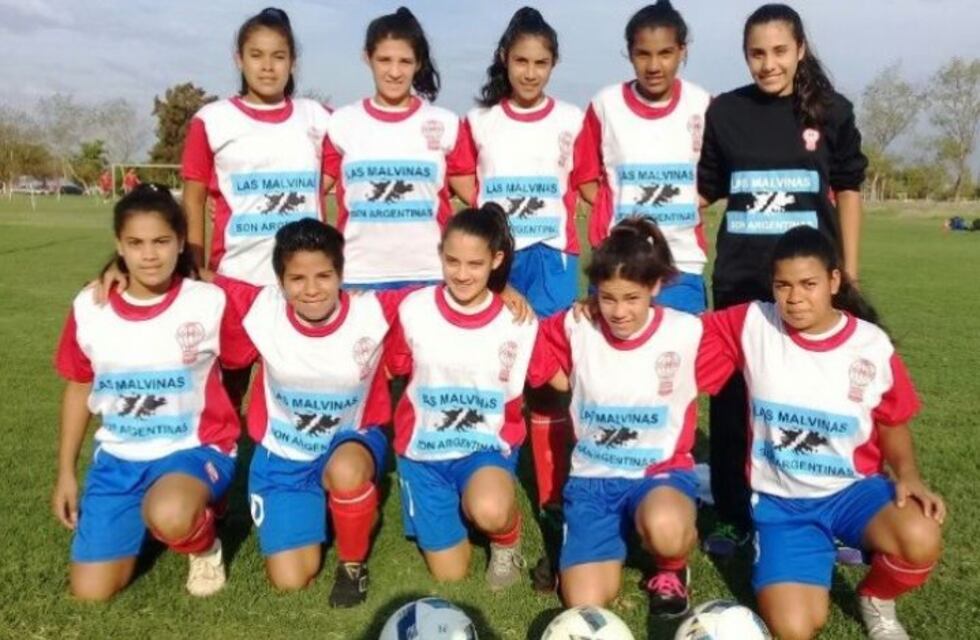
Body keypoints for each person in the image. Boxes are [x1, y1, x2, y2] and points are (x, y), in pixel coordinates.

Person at [699, 226, 944, 640]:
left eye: (808, 284)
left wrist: (907, 473)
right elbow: (671, 335)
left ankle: (876, 599)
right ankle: (803, 553)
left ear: (834, 280)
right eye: (783, 286)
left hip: (853, 492)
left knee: (920, 533)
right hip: (783, 505)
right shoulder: (752, 323)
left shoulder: (870, 344)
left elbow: (891, 419)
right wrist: (601, 308)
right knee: (794, 628)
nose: (794, 298)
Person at [696, 3, 868, 555]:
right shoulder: (725, 112)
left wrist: (850, 271)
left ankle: (831, 507)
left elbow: (848, 192)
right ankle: (731, 512)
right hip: (742, 279)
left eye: (778, 51)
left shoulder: (832, 111)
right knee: (730, 399)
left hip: (810, 285)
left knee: (816, 396)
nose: (767, 64)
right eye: (756, 53)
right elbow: (705, 190)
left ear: (799, 49)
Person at [51, 185, 249, 601]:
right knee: (91, 592)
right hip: (119, 460)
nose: (150, 254)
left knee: (171, 512)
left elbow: (249, 353)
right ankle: (156, 512)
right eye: (136, 243)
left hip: (194, 449)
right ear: (118, 246)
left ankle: (203, 542)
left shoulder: (209, 301)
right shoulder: (91, 306)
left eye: (161, 241)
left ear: (181, 242)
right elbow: (78, 386)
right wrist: (66, 473)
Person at [461, 5, 595, 591]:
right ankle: (485, 485)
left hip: (555, 261)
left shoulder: (573, 118)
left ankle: (554, 501)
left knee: (552, 383)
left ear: (554, 64)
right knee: (500, 374)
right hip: (503, 260)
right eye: (521, 60)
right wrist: (495, 264)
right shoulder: (480, 120)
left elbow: (589, 186)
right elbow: (466, 188)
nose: (531, 72)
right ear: (504, 60)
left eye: (542, 62)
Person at [214, 219, 399, 607]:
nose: (312, 289)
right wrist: (116, 268)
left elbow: (453, 285)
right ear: (280, 281)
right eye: (297, 278)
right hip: (284, 457)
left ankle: (352, 565)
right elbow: (187, 278)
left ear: (341, 274)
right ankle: (327, 506)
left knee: (346, 471)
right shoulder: (260, 308)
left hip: (352, 441)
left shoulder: (374, 310)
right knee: (290, 579)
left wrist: (507, 289)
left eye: (324, 275)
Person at [539, 218, 706, 617]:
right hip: (594, 480)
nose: (619, 312)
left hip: (658, 473)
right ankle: (609, 534)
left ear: (655, 287)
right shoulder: (575, 326)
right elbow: (539, 357)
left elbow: (758, 331)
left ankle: (671, 568)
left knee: (666, 528)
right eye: (608, 298)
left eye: (632, 297)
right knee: (584, 602)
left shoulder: (688, 332)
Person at [385, 204, 553, 591]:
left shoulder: (519, 321)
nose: (462, 274)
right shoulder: (414, 309)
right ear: (440, 255)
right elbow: (394, 366)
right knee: (451, 574)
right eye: (452, 261)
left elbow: (556, 378)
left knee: (490, 511)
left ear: (496, 260)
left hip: (485, 447)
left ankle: (506, 540)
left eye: (475, 264)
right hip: (424, 452)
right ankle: (452, 506)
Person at [180, 7, 330, 408]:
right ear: (239, 59)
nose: (267, 67)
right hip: (236, 279)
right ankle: (220, 464)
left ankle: (287, 465)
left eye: (278, 56)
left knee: (298, 390)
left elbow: (341, 173)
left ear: (292, 61)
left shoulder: (316, 117)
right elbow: (193, 196)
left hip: (301, 282)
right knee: (226, 392)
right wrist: (194, 265)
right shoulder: (212, 120)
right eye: (256, 55)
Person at [321, 7, 474, 290]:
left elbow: (479, 195)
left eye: (405, 61)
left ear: (418, 63)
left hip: (430, 274)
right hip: (357, 278)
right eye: (384, 60)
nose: (394, 72)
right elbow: (310, 191)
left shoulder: (446, 123)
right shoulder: (342, 123)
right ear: (366, 58)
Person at [579, 0, 711, 315]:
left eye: (665, 53)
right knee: (608, 359)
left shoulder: (702, 105)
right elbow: (585, 179)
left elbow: (715, 179)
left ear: (682, 51)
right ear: (630, 52)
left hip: (681, 263)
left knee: (677, 360)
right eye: (643, 54)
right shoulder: (605, 106)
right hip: (617, 262)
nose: (654, 66)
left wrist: (680, 204)